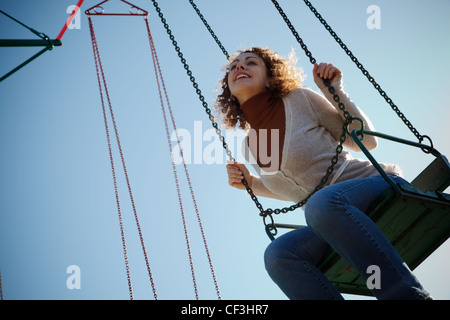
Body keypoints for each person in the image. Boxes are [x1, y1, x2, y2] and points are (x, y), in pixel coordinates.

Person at [216, 47, 432, 300]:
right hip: (328, 215)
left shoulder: (299, 100)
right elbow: (294, 192)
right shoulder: (249, 145)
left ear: (270, 77)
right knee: (278, 254)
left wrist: (334, 91)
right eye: (233, 67)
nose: (239, 68)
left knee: (321, 205)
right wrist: (251, 183)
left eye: (250, 62)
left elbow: (367, 141)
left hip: (376, 185)